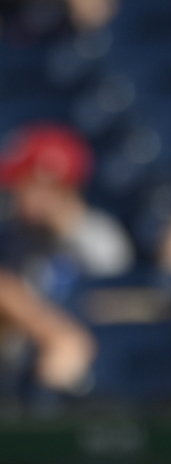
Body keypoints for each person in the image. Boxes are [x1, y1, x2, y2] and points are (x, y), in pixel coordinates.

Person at [0, 123, 134, 392]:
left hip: (91, 362)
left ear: (52, 184)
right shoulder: (19, 237)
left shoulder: (99, 239)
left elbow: (115, 311)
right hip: (29, 355)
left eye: (25, 184)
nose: (16, 194)